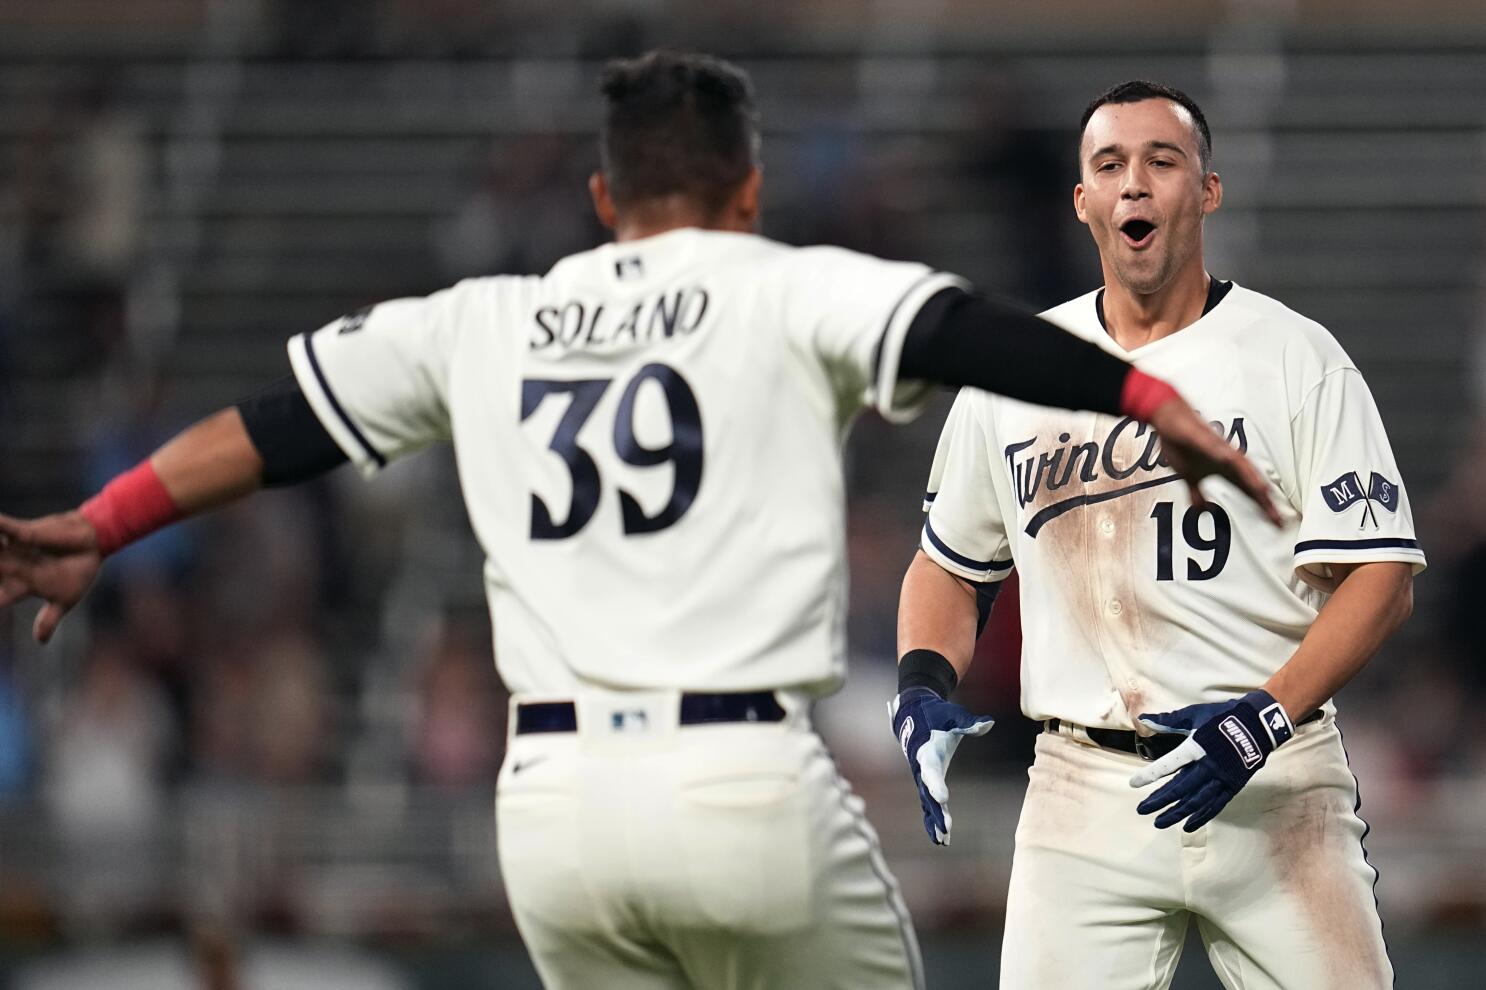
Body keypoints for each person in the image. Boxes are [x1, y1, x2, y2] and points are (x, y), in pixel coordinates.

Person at [0, 56, 1274, 990]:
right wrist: (1143, 391)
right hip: (742, 787)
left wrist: (105, 521)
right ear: (749, 191)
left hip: (552, 811)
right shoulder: (779, 285)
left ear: (606, 199)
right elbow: (956, 327)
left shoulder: (480, 318)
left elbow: (283, 423)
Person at [891, 80, 1423, 989]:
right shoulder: (1016, 371)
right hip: (1081, 788)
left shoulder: (1295, 356)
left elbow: (1380, 577)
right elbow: (948, 564)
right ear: (1084, 202)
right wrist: (920, 681)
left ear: (1207, 190)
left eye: (1161, 161)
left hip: (1273, 775)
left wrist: (1264, 717)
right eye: (1110, 166)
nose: (1134, 184)